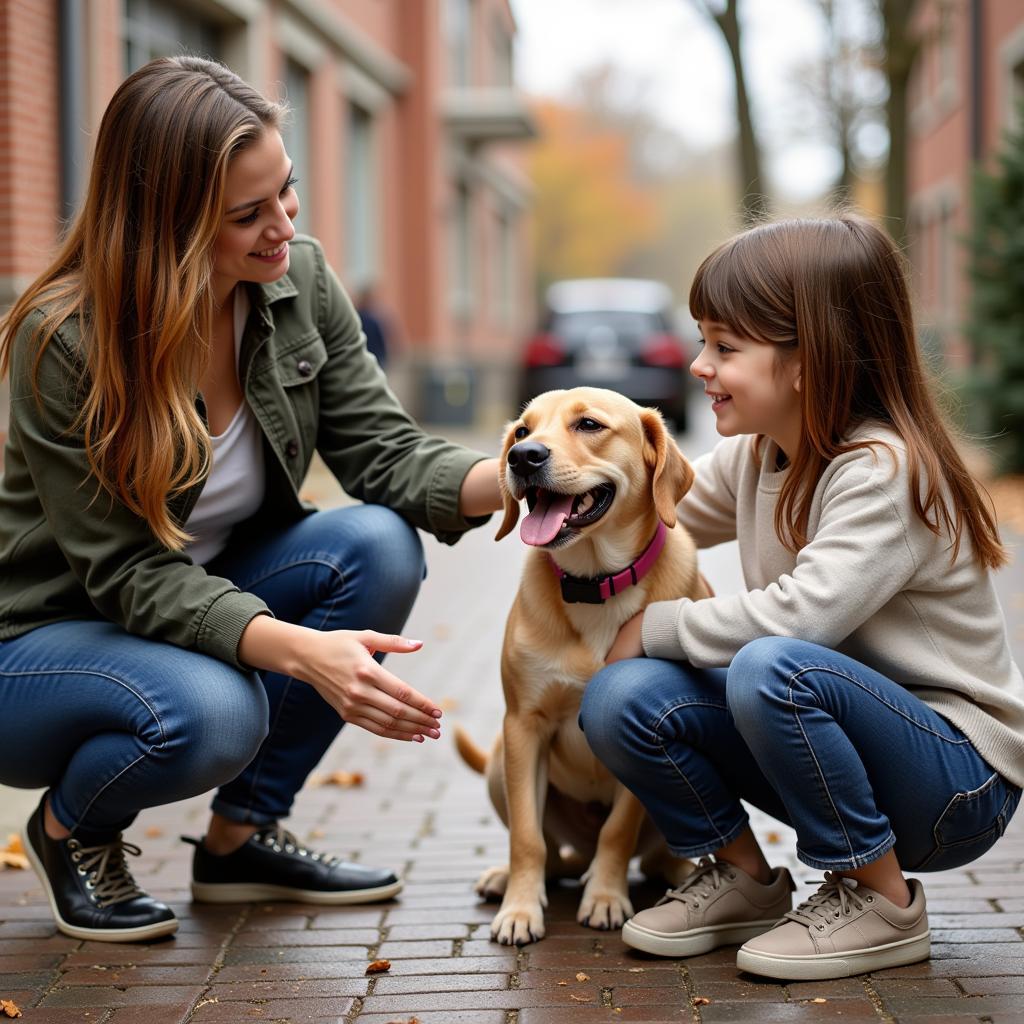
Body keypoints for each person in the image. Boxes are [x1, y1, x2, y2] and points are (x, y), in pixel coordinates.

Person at [0, 56, 502, 943]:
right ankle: (66, 829)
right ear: (168, 221)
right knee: (220, 711)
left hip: (202, 600)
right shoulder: (64, 340)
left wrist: (530, 474)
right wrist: (304, 653)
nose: (284, 226)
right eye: (247, 214)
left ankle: (238, 841)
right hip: (45, 645)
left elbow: (381, 449)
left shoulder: (296, 281)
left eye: (288, 191)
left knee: (380, 543)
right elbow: (127, 573)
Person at [578, 214, 1024, 981]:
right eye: (701, 341)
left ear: (807, 363)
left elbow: (799, 617)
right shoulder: (759, 455)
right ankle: (745, 878)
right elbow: (658, 498)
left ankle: (880, 899)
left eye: (725, 347)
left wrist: (658, 622)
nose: (698, 366)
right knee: (622, 695)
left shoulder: (884, 469)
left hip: (957, 778)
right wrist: (540, 472)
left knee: (770, 664)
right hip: (845, 745)